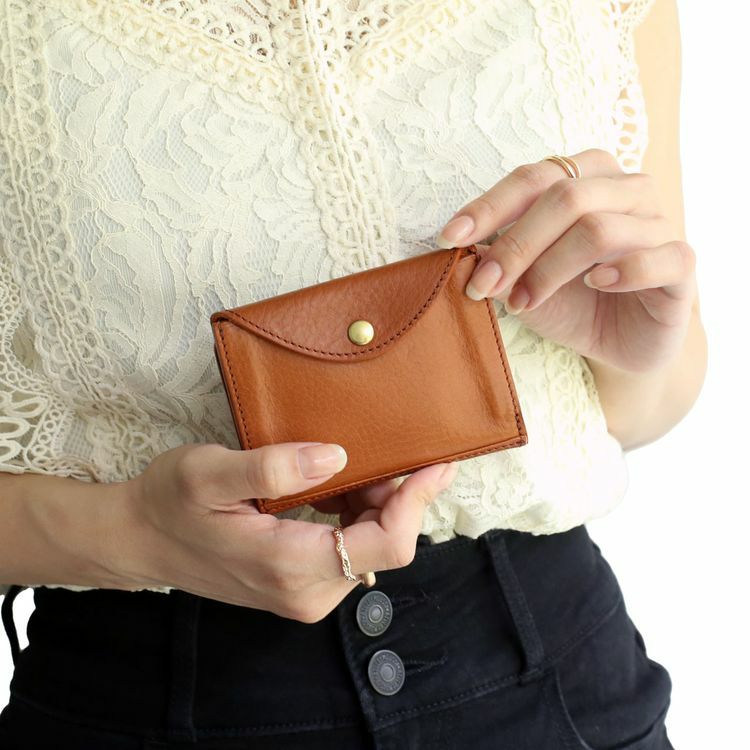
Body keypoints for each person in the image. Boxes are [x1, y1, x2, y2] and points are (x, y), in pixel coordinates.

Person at [0, 0, 706, 747]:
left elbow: (642, 404)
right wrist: (137, 533)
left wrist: (630, 351)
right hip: (151, 688)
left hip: (560, 675)